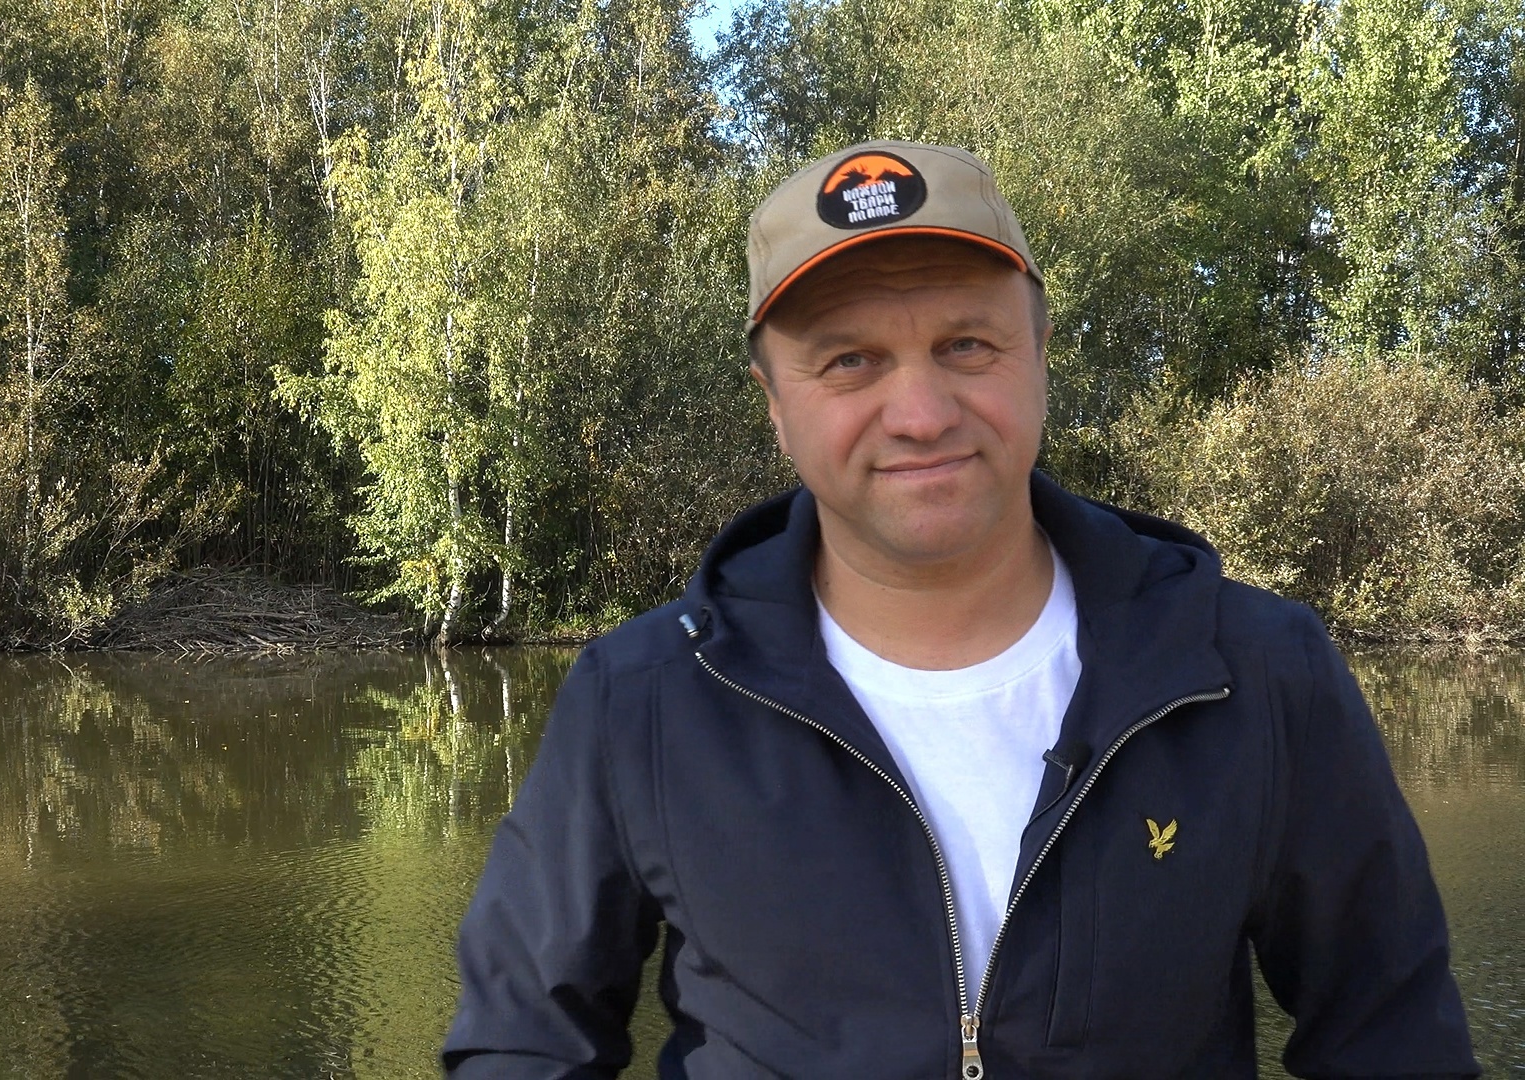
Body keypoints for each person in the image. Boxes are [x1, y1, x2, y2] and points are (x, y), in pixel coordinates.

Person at [441, 140, 1480, 1078]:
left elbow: (1393, 1038)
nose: (922, 413)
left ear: (1037, 352)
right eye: (850, 361)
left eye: (967, 346)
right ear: (775, 404)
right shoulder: (643, 700)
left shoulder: (1254, 669)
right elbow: (521, 1045)